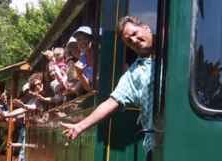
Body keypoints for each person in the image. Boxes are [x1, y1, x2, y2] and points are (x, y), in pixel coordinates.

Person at [61, 15, 155, 153]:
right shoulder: (134, 73)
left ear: (146, 28)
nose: (134, 40)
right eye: (129, 41)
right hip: (156, 144)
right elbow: (112, 102)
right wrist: (80, 126)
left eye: (135, 34)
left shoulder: (174, 51)